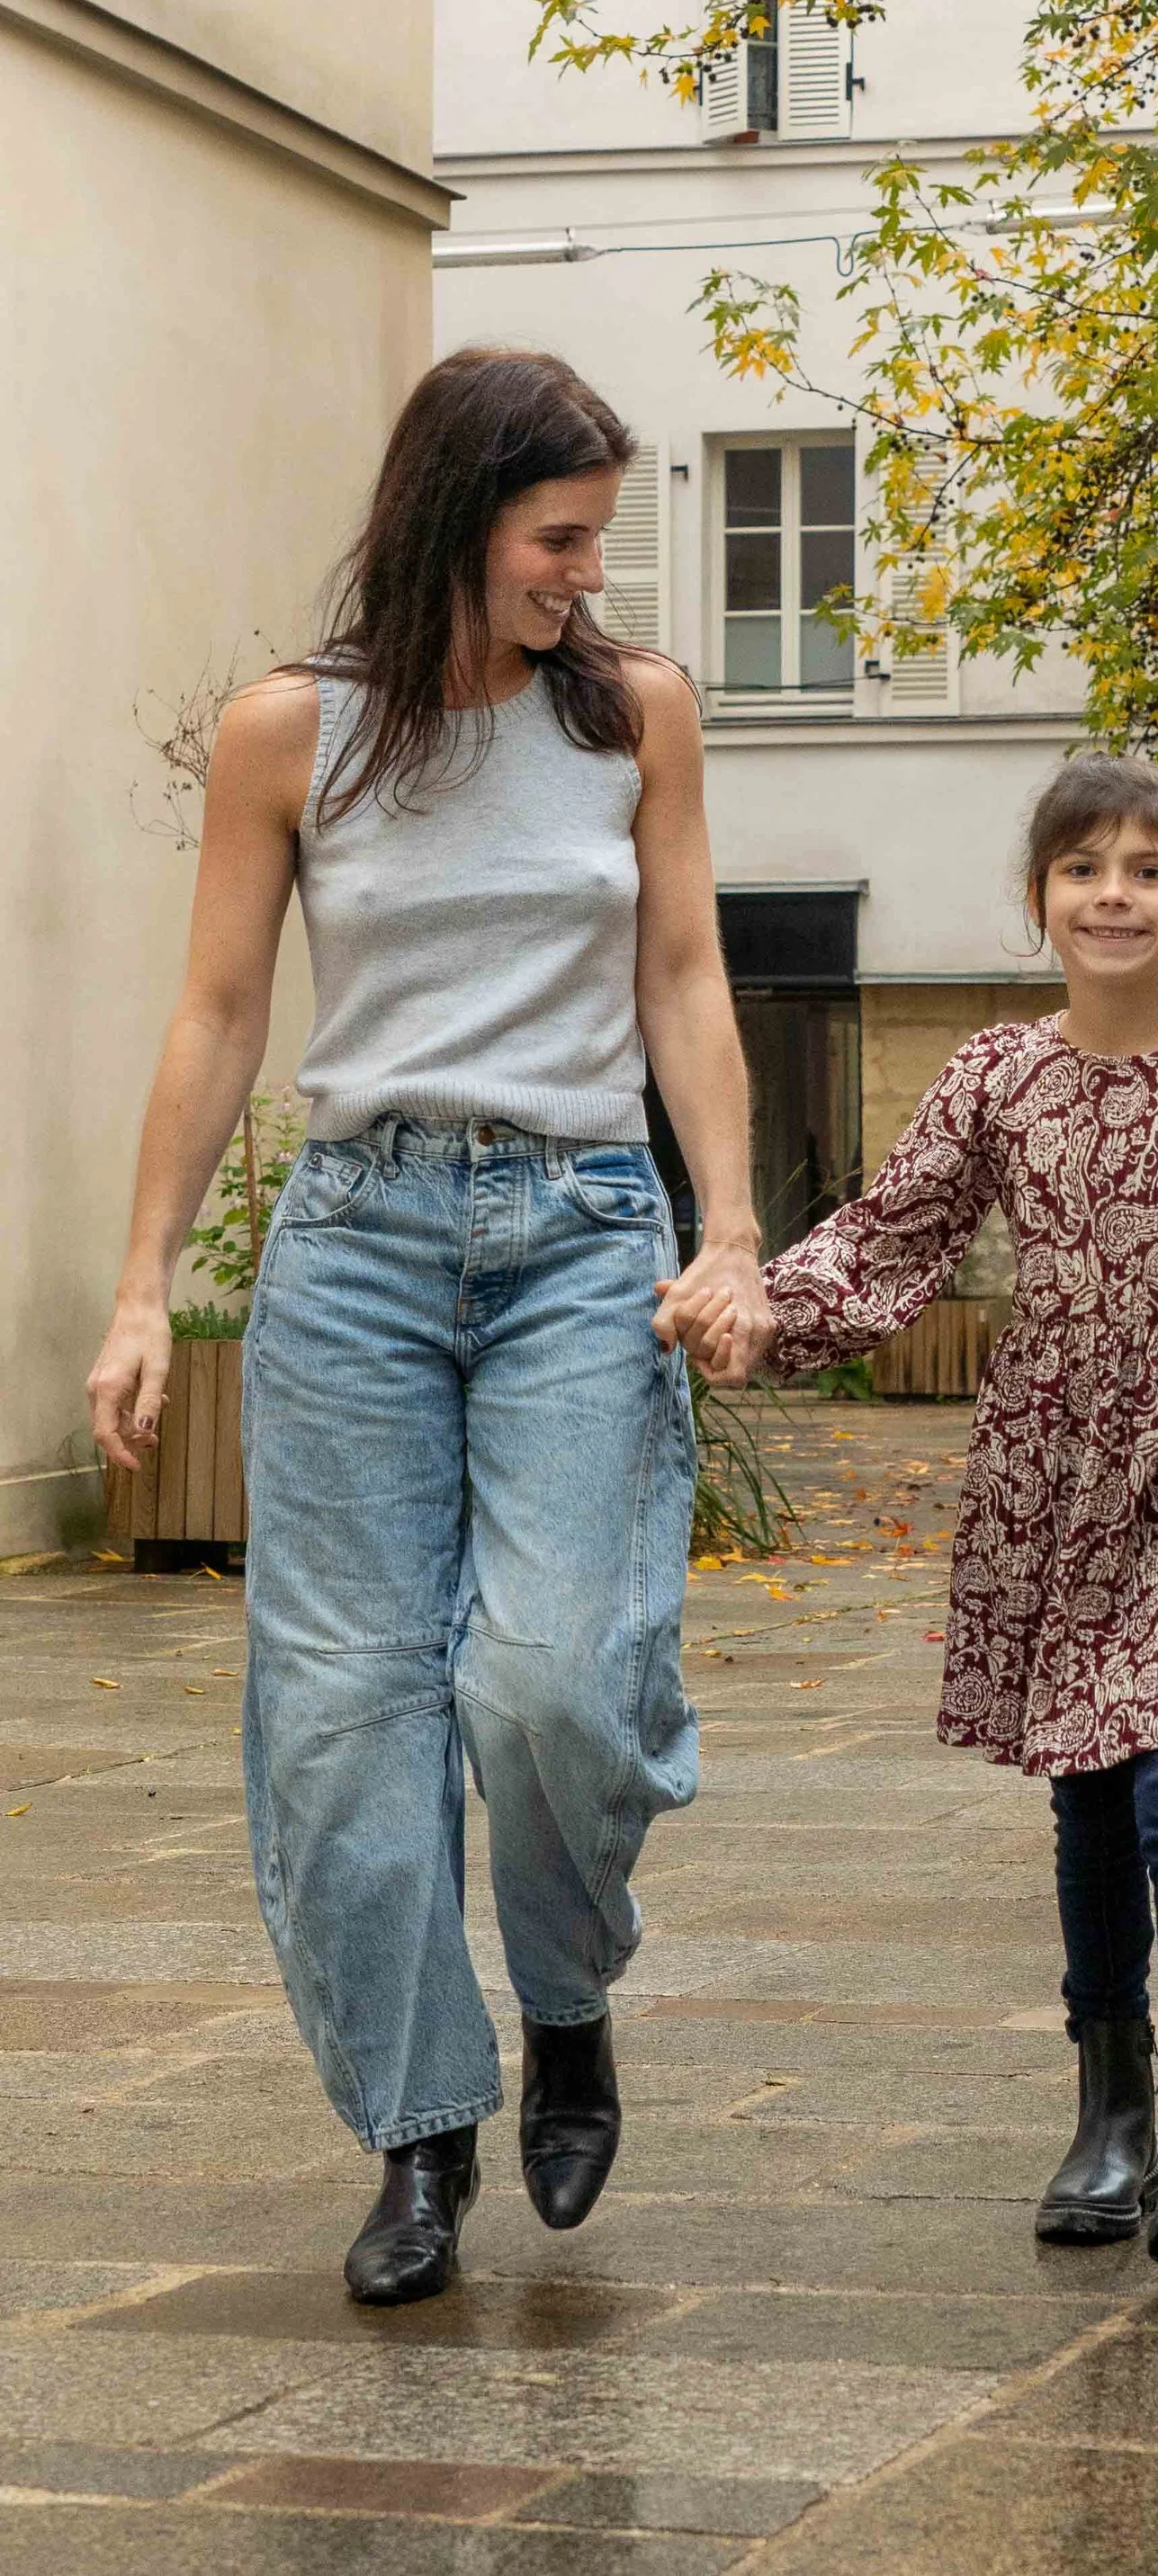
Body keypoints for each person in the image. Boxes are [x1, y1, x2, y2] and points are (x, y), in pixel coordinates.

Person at [86, 350, 776, 2306]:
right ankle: (415, 2124)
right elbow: (220, 1013)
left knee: (555, 1678)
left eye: (594, 541)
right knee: (343, 1714)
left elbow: (682, 976)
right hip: (359, 1241)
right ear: (453, 518)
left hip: (577, 1233)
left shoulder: (633, 714)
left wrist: (727, 1231)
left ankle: (565, 1996)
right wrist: (142, 1285)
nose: (584, 573)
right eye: (557, 538)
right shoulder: (291, 734)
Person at [760, 753, 1158, 2277]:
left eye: (1148, 870)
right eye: (1083, 868)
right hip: (1054, 1466)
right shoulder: (994, 1074)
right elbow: (893, 1236)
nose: (1113, 893)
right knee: (1090, 1789)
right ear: (1042, 897)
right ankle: (1108, 2106)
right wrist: (761, 1311)